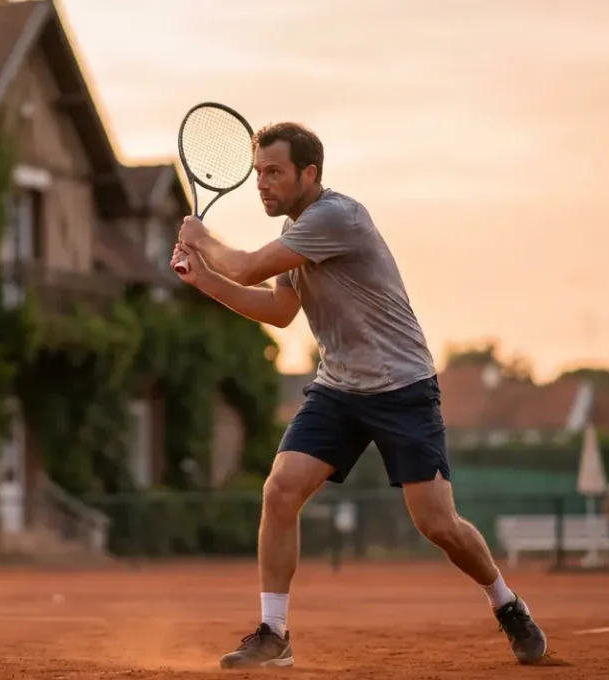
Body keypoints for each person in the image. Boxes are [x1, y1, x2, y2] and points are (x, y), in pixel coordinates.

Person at [170, 122, 547, 669]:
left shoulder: (335, 217)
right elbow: (278, 312)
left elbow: (249, 265)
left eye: (274, 173)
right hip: (339, 390)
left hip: (403, 386)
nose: (263, 185)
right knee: (280, 492)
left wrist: (201, 241)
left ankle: (507, 604)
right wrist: (204, 279)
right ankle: (274, 635)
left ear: (310, 173)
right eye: (258, 174)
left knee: (436, 523)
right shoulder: (298, 234)